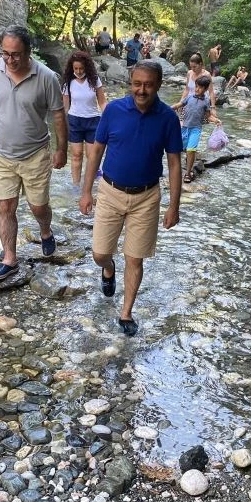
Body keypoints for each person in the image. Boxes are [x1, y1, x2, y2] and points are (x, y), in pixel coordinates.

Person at [79, 61, 182, 336]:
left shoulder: (168, 118)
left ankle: (126, 313)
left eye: (148, 84)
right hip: (111, 192)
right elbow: (96, 151)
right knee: (100, 254)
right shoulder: (113, 111)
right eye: (137, 83)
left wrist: (174, 205)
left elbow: (174, 163)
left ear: (158, 85)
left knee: (135, 259)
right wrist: (86, 191)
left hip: (147, 197)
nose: (142, 89)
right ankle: (108, 269)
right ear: (130, 84)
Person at [0, 25, 67, 281]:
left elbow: (58, 115)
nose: (10, 60)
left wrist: (62, 149)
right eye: (5, 53)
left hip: (35, 154)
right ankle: (10, 258)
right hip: (0, 153)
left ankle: (44, 230)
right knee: (5, 206)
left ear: (29, 52)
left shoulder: (46, 77)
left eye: (16, 54)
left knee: (38, 207)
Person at [61, 51, 107, 186]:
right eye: (76, 68)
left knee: (92, 156)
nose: (79, 71)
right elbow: (65, 108)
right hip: (74, 121)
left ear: (86, 67)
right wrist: (63, 126)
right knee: (76, 155)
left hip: (93, 120)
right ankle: (76, 185)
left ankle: (90, 185)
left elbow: (102, 102)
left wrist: (111, 116)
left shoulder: (94, 80)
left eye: (81, 68)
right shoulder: (68, 83)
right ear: (72, 68)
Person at [172, 76, 220, 183]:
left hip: (196, 129)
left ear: (206, 89)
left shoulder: (206, 101)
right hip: (184, 128)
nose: (197, 89)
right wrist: (169, 108)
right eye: (196, 86)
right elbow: (179, 104)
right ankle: (176, 168)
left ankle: (188, 173)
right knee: (178, 149)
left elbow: (208, 116)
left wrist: (216, 120)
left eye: (200, 87)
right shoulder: (189, 97)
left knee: (191, 150)